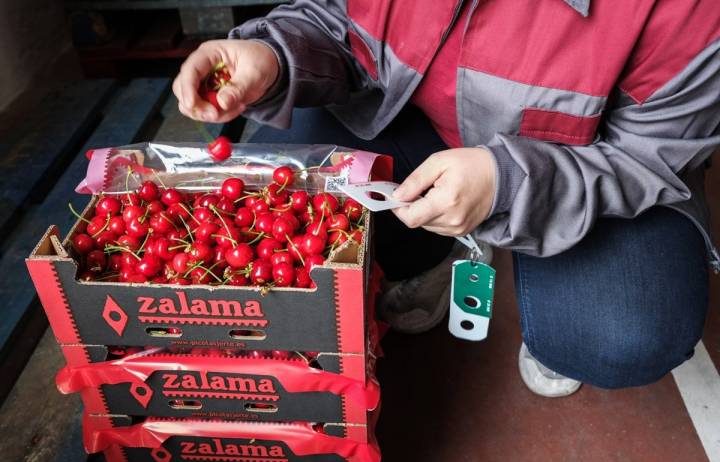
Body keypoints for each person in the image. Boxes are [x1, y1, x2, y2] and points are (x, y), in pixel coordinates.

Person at [173, 0, 720, 397]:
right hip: (424, 126)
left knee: (615, 331)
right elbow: (343, 21)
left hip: (586, 168)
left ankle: (544, 276)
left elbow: (650, 154)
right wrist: (276, 54)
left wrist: (507, 182)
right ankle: (441, 248)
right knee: (285, 197)